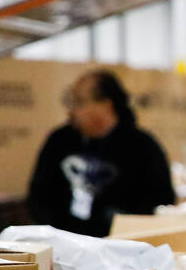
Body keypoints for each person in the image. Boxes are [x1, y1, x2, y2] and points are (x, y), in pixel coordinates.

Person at [26, 70, 175, 236]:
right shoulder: (59, 142)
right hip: (65, 243)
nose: (72, 111)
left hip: (121, 245)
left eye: (80, 102)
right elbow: (39, 195)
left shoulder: (143, 148)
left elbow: (160, 203)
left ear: (106, 104)